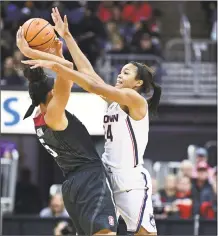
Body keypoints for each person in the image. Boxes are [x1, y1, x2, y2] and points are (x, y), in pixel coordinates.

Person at [22, 8, 161, 235]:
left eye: (126, 73)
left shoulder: (135, 100)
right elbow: (88, 72)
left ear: (137, 83)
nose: (119, 75)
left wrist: (57, 66)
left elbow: (92, 85)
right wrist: (66, 36)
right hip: (105, 176)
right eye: (121, 71)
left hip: (130, 182)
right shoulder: (114, 99)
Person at [16, 28, 117, 235]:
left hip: (71, 185)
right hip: (89, 179)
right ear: (52, 92)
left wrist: (56, 53)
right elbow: (68, 69)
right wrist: (32, 52)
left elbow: (64, 69)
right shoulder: (54, 113)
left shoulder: (38, 117)